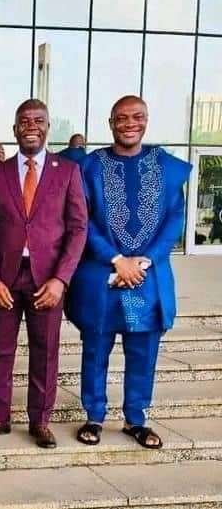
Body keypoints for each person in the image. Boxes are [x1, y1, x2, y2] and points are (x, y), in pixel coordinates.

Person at [68, 96, 191, 449]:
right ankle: (94, 416)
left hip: (147, 279)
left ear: (146, 120)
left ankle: (136, 420)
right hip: (101, 277)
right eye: (121, 118)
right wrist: (116, 258)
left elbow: (175, 219)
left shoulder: (166, 166)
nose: (129, 124)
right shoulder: (89, 167)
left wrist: (144, 260)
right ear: (110, 123)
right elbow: (81, 219)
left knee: (143, 352)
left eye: (137, 117)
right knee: (95, 349)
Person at [0, 99, 88, 449]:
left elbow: (78, 229)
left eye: (38, 120)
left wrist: (61, 279)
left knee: (45, 352)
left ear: (48, 127)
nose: (31, 126)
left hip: (47, 280)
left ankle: (40, 421)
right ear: (14, 129)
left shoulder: (67, 171)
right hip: (4, 279)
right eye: (24, 121)